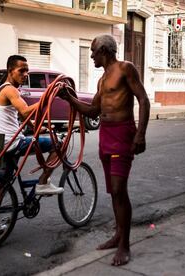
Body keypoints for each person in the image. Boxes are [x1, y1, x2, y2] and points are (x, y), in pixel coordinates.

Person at [59, 34, 150, 266]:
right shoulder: (102, 80)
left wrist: (140, 134)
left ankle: (125, 246)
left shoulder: (125, 69)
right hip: (105, 135)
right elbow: (92, 111)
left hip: (123, 133)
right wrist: (69, 98)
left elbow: (143, 99)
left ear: (104, 51)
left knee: (120, 189)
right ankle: (118, 234)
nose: (91, 56)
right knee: (113, 191)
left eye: (93, 52)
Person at [0, 55, 63, 238]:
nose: (25, 74)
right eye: (21, 70)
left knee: (3, 184)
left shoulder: (1, 91)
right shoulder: (10, 90)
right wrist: (47, 99)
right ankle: (43, 182)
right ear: (10, 70)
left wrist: (38, 127)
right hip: (14, 143)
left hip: (3, 145)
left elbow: (21, 118)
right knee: (57, 145)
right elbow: (25, 111)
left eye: (27, 70)